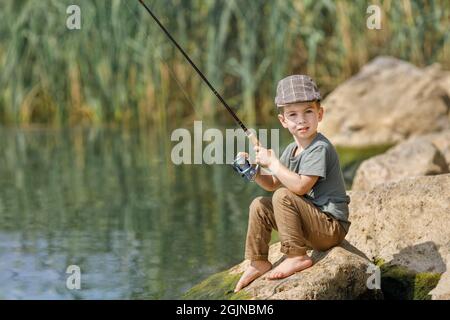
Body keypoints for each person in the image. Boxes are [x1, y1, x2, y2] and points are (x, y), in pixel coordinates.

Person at [234, 75, 351, 292]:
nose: (301, 120)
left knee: (284, 196)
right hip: (310, 224)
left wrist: (274, 162)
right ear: (283, 121)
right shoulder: (291, 150)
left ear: (320, 114)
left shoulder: (320, 148)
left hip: (330, 227)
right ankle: (258, 261)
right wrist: (254, 171)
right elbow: (272, 183)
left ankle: (297, 256)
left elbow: (299, 187)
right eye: (293, 114)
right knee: (259, 205)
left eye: (308, 111)